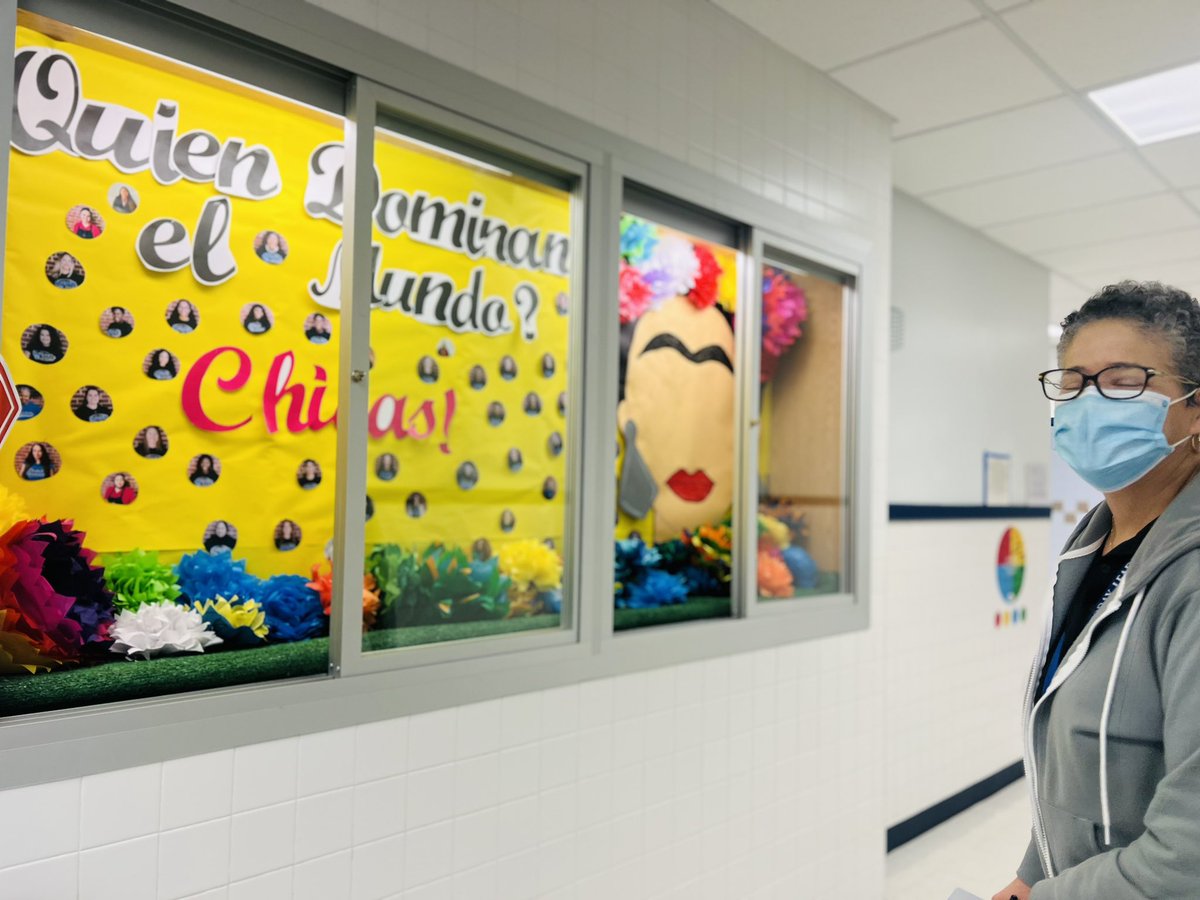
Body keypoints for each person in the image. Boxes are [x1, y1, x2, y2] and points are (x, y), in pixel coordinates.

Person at [994, 281, 1200, 900]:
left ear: (1194, 407)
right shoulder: (1094, 547)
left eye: (1123, 381)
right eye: (1075, 382)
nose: (1089, 402)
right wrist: (1031, 876)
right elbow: (1083, 768)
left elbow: (1187, 860)